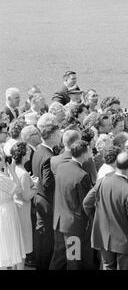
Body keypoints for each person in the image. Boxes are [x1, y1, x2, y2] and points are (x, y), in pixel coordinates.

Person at [83, 151, 128, 270]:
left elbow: (87, 203)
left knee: (107, 267)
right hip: (125, 241)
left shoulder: (102, 181)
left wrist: (97, 219)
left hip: (104, 237)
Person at [52, 140, 94, 270]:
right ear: (84, 154)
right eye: (90, 150)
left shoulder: (61, 167)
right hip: (73, 226)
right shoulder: (82, 175)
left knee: (58, 259)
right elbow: (86, 203)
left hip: (59, 221)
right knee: (73, 260)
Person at [32, 113, 62, 270]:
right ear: (52, 135)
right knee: (47, 240)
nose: (60, 137)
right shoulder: (49, 156)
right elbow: (48, 182)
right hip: (47, 202)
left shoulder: (39, 150)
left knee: (42, 236)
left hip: (40, 198)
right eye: (58, 134)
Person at [10, 142, 37, 264]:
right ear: (24, 154)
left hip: (15, 207)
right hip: (23, 211)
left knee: (16, 245)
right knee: (23, 247)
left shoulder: (14, 169)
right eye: (28, 150)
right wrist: (35, 187)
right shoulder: (24, 173)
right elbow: (27, 196)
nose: (30, 152)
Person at [0, 154, 26, 269]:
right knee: (10, 243)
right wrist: (12, 170)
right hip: (6, 211)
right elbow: (19, 188)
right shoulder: (1, 178)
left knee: (4, 244)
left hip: (5, 209)